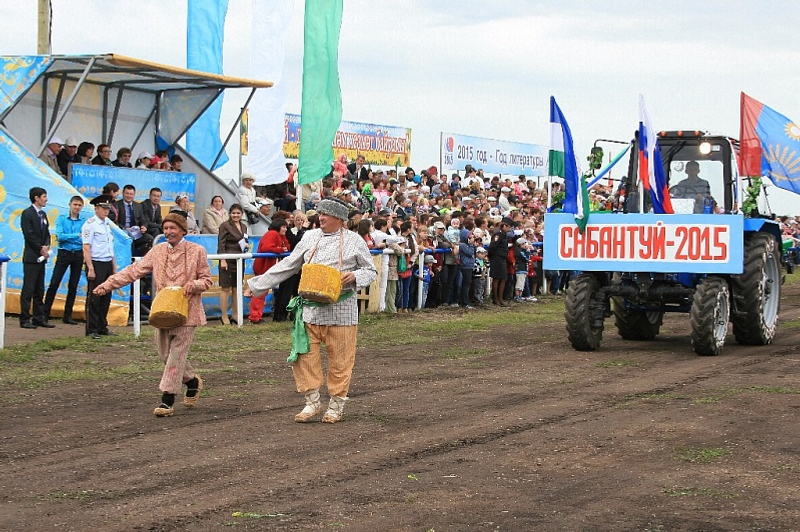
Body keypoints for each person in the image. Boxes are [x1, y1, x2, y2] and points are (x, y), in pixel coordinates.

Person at [244, 198, 377, 423]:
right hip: (310, 311)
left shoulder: (354, 240)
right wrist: (258, 285)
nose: (320, 218)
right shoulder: (309, 237)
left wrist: (355, 276)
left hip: (342, 311)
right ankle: (312, 402)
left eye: (326, 214)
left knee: (341, 361)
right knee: (304, 357)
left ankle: (336, 405)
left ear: (339, 219)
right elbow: (289, 264)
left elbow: (370, 271)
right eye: (320, 213)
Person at [93, 212, 213, 417]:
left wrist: (194, 284)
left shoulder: (197, 251)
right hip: (161, 311)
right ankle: (192, 381)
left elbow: (207, 280)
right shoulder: (157, 251)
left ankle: (167, 399)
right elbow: (134, 271)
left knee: (176, 355)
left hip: (187, 312)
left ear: (183, 230)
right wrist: (108, 285)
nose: (168, 232)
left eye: (173, 228)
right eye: (165, 228)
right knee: (166, 355)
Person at [43, 195, 88, 325]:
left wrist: (72, 237)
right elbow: (60, 236)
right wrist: (76, 235)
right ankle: (45, 314)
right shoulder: (62, 218)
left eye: (79, 205)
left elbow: (84, 238)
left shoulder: (84, 221)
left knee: (73, 285)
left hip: (78, 254)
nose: (77, 207)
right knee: (54, 283)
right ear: (70, 205)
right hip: (64, 253)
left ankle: (67, 315)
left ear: (82, 207)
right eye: (75, 204)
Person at [19, 187, 54, 329]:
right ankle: (24, 318)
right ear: (36, 198)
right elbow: (29, 234)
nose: (46, 199)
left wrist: (46, 246)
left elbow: (46, 233)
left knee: (39, 289)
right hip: (31, 257)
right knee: (29, 288)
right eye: (44, 196)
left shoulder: (43, 214)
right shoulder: (27, 213)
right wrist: (40, 248)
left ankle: (38, 318)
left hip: (41, 257)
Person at [82, 196, 117, 339]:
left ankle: (102, 326)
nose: (106, 211)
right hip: (96, 263)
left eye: (108, 208)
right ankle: (92, 328)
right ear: (96, 208)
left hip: (107, 262)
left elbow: (110, 248)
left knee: (106, 296)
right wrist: (90, 267)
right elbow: (86, 247)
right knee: (94, 297)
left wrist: (113, 267)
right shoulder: (90, 224)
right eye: (103, 208)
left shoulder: (107, 224)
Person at [249, 218, 290, 324]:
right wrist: (280, 249)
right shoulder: (272, 234)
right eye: (284, 227)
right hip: (263, 267)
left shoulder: (279, 235)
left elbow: (287, 247)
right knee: (260, 292)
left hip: (267, 267)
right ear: (278, 226)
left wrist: (282, 246)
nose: (286, 229)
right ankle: (255, 316)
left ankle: (256, 316)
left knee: (262, 292)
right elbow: (267, 248)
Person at [217, 204, 248, 325]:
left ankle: (235, 315)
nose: (236, 215)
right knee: (225, 288)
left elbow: (245, 240)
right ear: (230, 214)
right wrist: (222, 259)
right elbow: (221, 244)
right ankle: (224, 316)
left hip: (240, 260)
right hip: (227, 259)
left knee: (237, 288)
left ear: (242, 214)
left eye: (238, 213)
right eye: (233, 213)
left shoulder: (244, 226)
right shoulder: (225, 225)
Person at [116, 184, 154, 256]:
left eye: (131, 194)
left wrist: (144, 226)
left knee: (149, 239)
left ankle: (138, 258)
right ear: (123, 193)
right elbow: (115, 222)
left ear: (134, 195)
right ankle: (130, 258)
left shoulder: (138, 206)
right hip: (123, 232)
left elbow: (143, 220)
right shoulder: (117, 205)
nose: (129, 196)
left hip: (136, 233)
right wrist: (124, 228)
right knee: (129, 239)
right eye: (127, 193)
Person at [488, 217, 512, 306]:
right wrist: (492, 256)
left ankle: (500, 298)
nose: (509, 229)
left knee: (503, 278)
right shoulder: (498, 234)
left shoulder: (504, 234)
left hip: (502, 258)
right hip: (497, 258)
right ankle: (496, 298)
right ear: (504, 226)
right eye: (508, 227)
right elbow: (492, 246)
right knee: (497, 278)